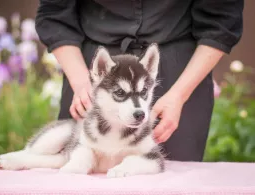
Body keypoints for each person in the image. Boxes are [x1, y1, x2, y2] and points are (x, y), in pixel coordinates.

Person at [35, 0, 244, 161]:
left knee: (170, 182)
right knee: (80, 171)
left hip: (179, 71)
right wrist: (81, 81)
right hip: (94, 71)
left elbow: (221, 19)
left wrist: (179, 95)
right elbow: (55, 12)